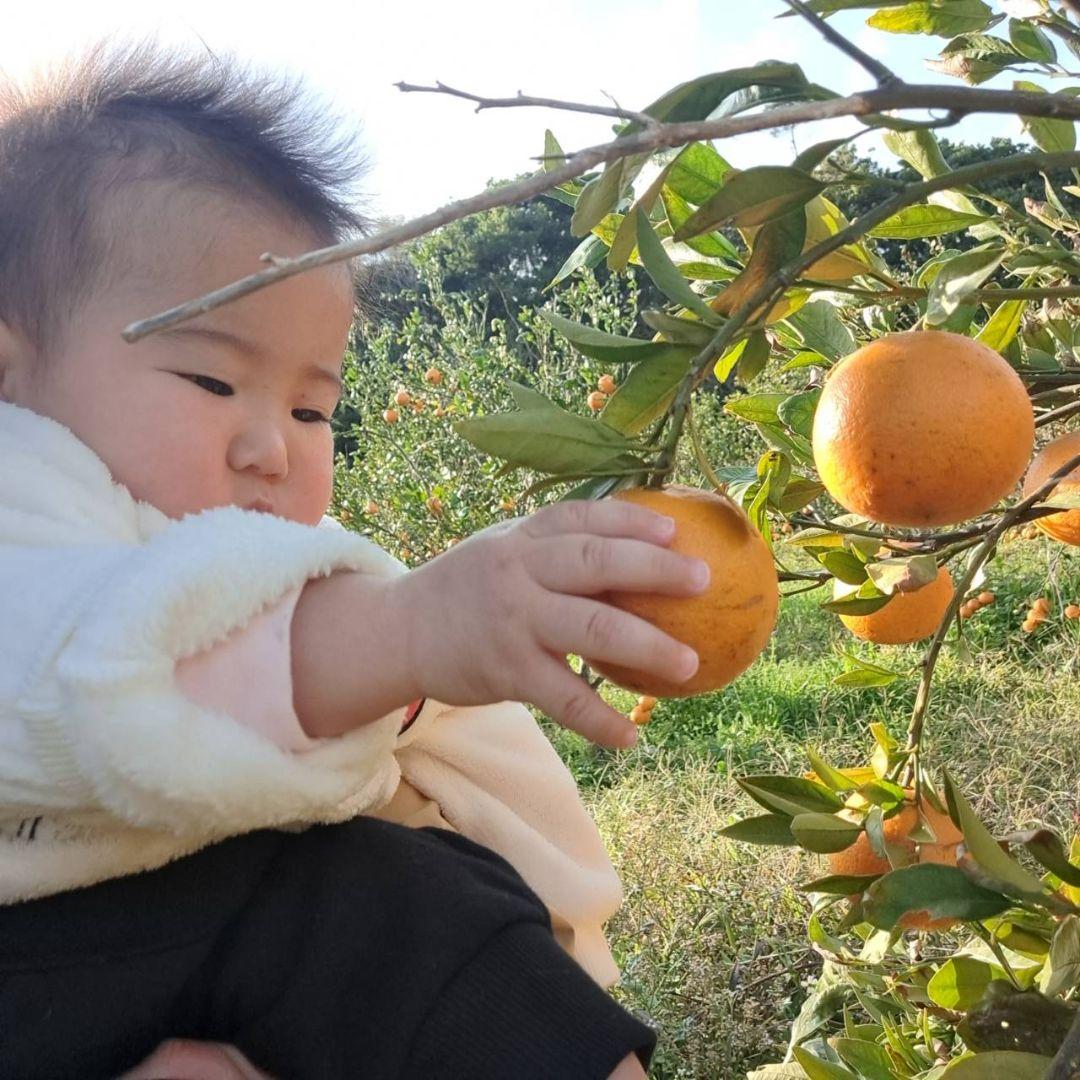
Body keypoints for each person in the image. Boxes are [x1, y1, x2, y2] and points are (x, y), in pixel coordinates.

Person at [0, 35, 710, 1079]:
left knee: (427, 898)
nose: (271, 445)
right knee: (378, 912)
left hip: (161, 940)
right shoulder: (22, 504)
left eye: (310, 405)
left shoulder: (249, 549)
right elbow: (100, 664)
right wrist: (403, 634)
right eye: (210, 382)